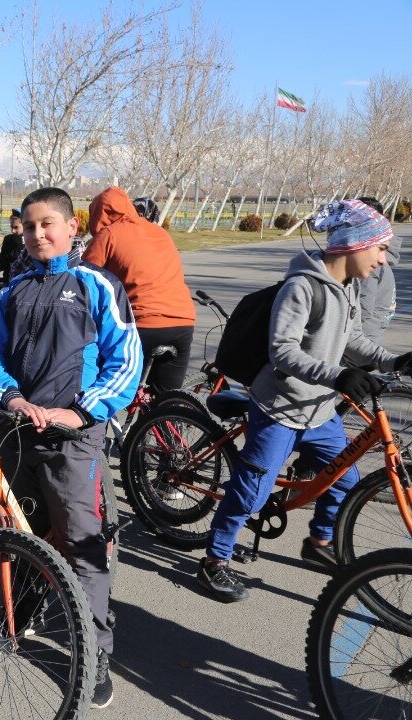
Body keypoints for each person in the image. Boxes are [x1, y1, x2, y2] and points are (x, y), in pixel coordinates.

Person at [196, 199, 412, 604]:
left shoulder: (349, 287)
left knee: (345, 482)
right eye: (381, 248)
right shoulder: (302, 286)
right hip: (280, 407)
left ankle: (319, 541)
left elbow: (352, 340)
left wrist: (393, 360)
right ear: (355, 243)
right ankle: (214, 560)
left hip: (321, 410)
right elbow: (282, 351)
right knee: (252, 493)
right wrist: (338, 375)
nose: (384, 260)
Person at [0, 187, 142, 709]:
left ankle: (94, 652)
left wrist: (82, 411)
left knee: (80, 543)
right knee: (20, 529)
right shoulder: (14, 289)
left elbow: (126, 361)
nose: (38, 234)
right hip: (21, 432)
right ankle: (20, 609)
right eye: (28, 227)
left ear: (74, 229)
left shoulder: (97, 285)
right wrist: (11, 397)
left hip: (75, 436)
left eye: (48, 224)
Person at [84, 186, 195, 392]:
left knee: (101, 387)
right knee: (166, 402)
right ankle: (168, 422)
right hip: (182, 322)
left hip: (141, 323)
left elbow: (85, 282)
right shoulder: (160, 232)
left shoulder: (108, 234)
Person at [353, 196, 400, 344]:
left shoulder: (370, 263)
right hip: (370, 335)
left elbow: (363, 310)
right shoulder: (378, 257)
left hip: (360, 340)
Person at [0, 208, 24, 281]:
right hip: (9, 280)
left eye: (16, 227)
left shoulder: (31, 240)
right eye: (11, 227)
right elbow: (0, 266)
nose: (13, 231)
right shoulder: (9, 239)